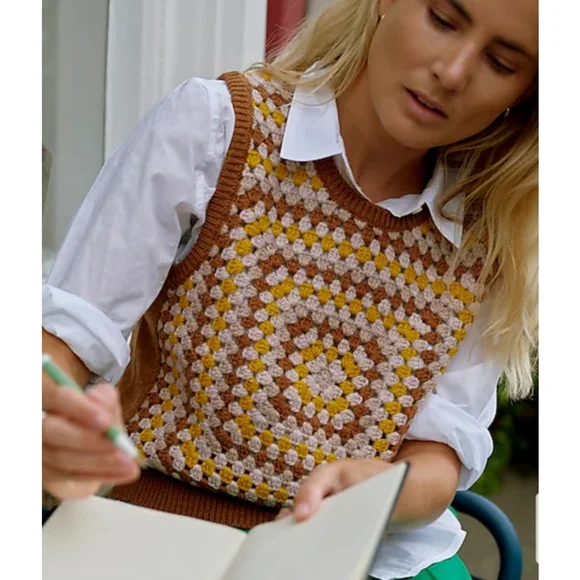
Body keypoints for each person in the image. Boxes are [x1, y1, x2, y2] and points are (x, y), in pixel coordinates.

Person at [41, 0, 538, 577]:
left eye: (501, 63)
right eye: (443, 20)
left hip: (365, 556)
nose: (452, 73)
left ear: (526, 95)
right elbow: (66, 338)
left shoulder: (487, 235)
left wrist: (381, 489)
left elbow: (438, 458)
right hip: (165, 534)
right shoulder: (215, 130)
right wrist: (57, 421)